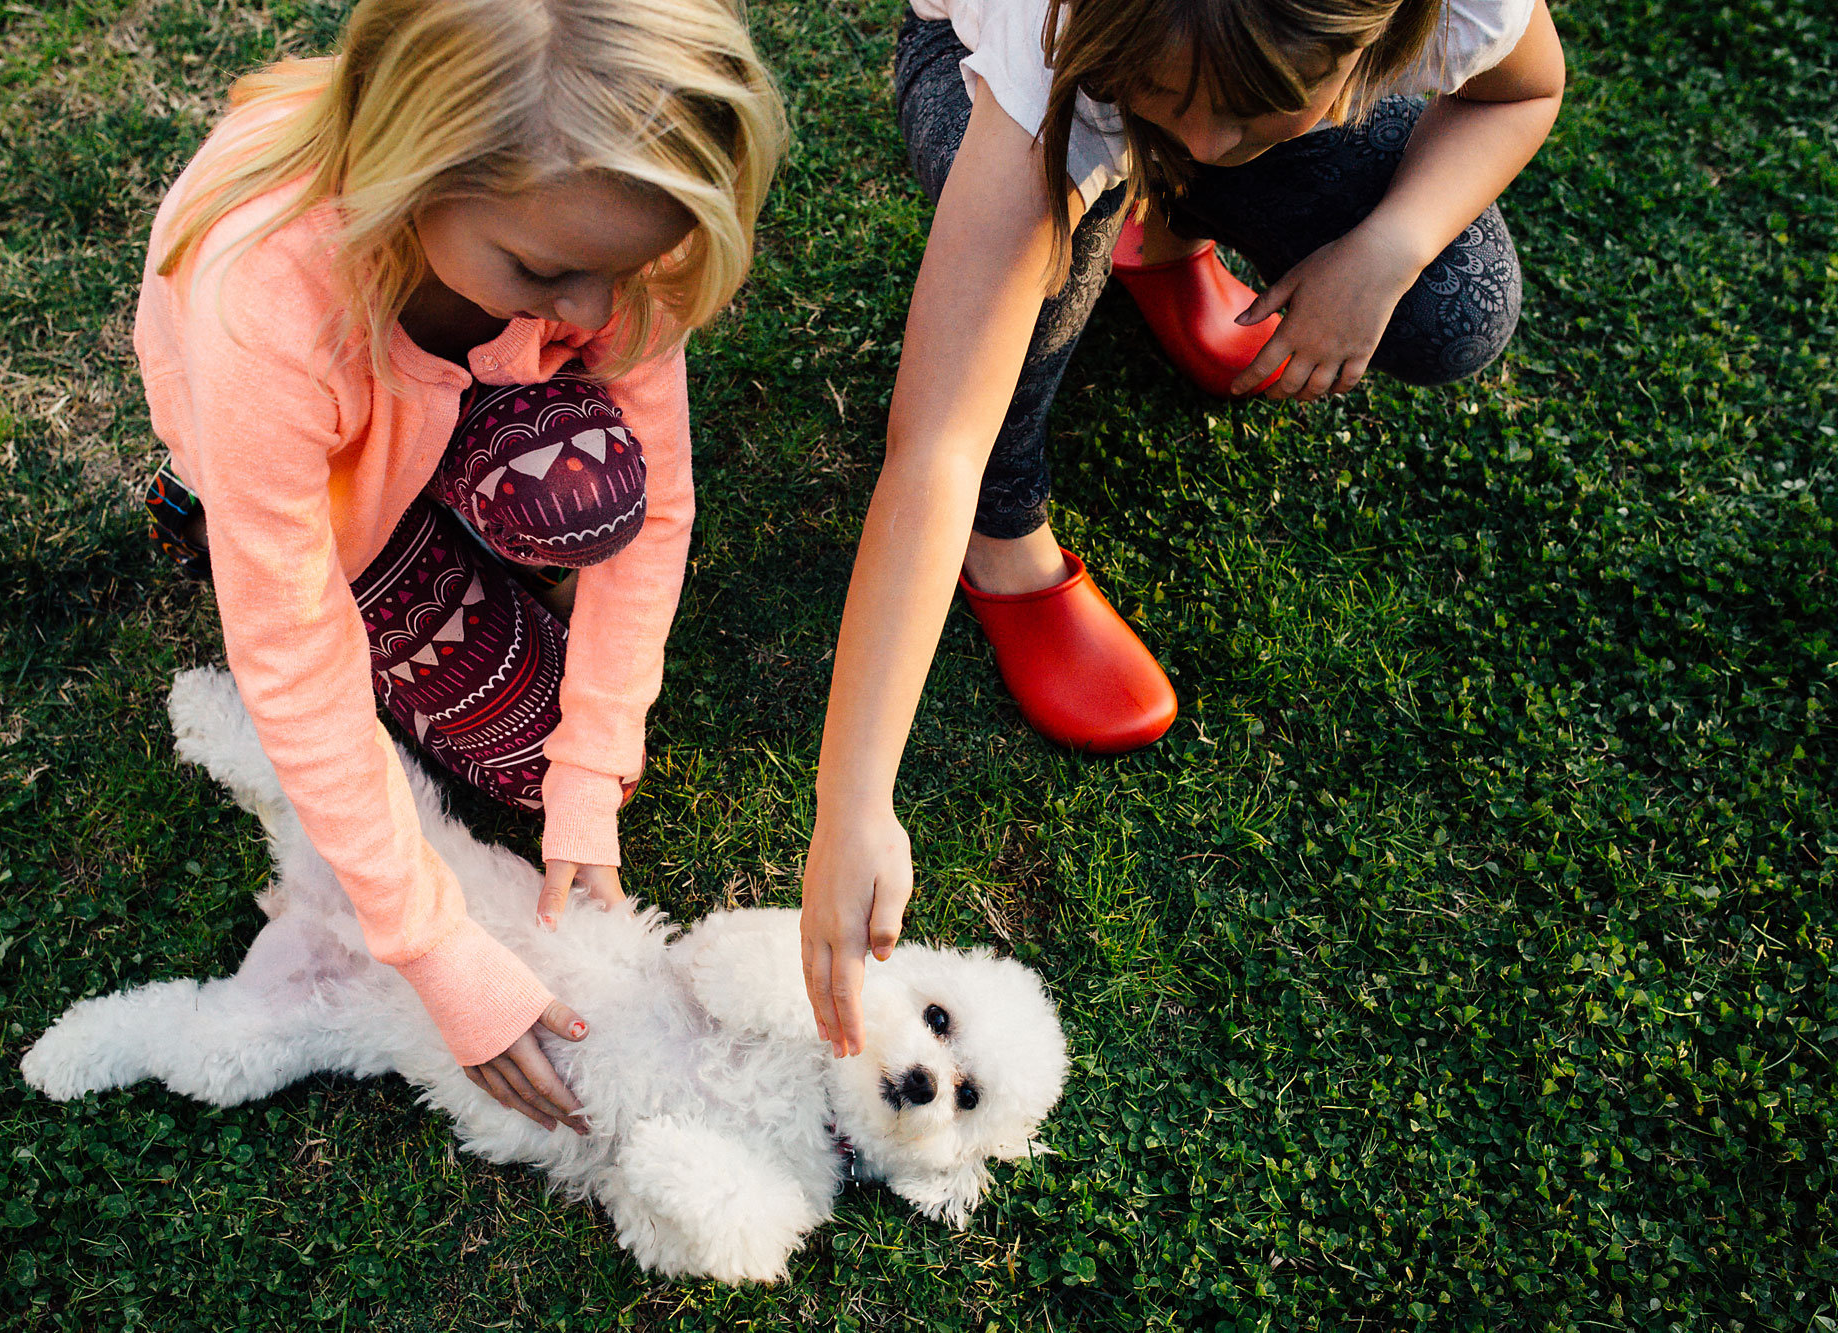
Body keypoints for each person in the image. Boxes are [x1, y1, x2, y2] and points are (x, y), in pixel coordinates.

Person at [800, 0, 1564, 1053]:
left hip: (1188, 67)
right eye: (1174, 113)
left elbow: (1524, 88)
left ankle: (1162, 235)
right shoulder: (1050, 38)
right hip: (1016, 67)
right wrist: (852, 804)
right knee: (1041, 256)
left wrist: (1384, 249)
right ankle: (1005, 538)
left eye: (1244, 123)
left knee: (1454, 300)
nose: (1201, 144)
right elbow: (934, 445)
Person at [135, 0, 784, 1128]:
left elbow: (659, 505)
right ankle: (293, 522)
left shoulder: (593, 228)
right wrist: (434, 950)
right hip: (317, 484)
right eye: (546, 267)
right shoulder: (271, 312)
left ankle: (464, 474)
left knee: (580, 555)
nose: (594, 310)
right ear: (415, 173)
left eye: (623, 267)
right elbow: (292, 654)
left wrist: (591, 774)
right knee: (477, 706)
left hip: (442, 378)